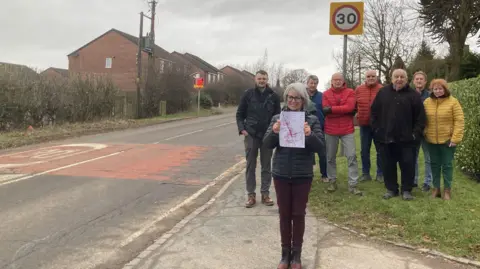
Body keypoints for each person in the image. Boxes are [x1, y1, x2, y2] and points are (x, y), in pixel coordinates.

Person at [263, 82, 324, 269]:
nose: (293, 101)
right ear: (286, 98)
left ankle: (296, 255)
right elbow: (266, 144)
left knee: (298, 214)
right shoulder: (277, 118)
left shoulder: (311, 120)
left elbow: (321, 147)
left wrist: (309, 135)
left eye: (297, 98)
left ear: (303, 100)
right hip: (281, 173)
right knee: (284, 214)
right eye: (290, 97)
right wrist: (274, 132)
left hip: (302, 174)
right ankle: (284, 254)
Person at [370, 68, 426, 200]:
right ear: (391, 78)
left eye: (402, 77)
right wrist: (377, 130)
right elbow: (373, 113)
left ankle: (406, 190)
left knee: (408, 165)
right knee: (388, 165)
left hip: (407, 140)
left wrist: (414, 134)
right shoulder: (383, 93)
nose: (399, 79)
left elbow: (420, 118)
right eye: (396, 77)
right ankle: (391, 189)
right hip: (386, 138)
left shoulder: (413, 95)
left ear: (406, 79)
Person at [236, 70, 281, 208]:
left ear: (267, 80)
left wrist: (275, 131)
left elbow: (278, 116)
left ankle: (265, 194)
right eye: (259, 78)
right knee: (250, 166)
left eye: (264, 78)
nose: (262, 81)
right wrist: (242, 129)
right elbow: (239, 114)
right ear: (255, 79)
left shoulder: (273, 96)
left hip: (267, 135)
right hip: (251, 134)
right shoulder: (248, 94)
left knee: (266, 165)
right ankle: (251, 195)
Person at [423, 79, 464, 200]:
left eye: (440, 88)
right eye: (435, 89)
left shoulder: (453, 102)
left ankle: (447, 190)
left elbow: (459, 121)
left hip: (447, 141)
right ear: (432, 90)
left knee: (447, 165)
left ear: (445, 89)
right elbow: (422, 119)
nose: (438, 91)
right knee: (434, 165)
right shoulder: (427, 102)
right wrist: (425, 132)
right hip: (431, 140)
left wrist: (455, 138)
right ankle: (436, 189)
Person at [322, 73, 362, 195]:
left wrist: (332, 109)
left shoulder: (350, 92)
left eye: (339, 80)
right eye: (335, 80)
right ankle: (332, 181)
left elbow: (350, 108)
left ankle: (353, 185)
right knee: (330, 157)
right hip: (330, 129)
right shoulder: (326, 94)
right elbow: (325, 109)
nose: (338, 82)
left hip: (347, 129)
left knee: (351, 157)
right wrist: (342, 110)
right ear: (332, 81)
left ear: (343, 81)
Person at [355, 70, 384, 182]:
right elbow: (354, 105)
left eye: (373, 76)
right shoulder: (359, 89)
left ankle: (380, 173)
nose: (371, 78)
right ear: (365, 77)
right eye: (368, 76)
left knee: (380, 150)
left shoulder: (382, 89)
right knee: (364, 150)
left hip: (379, 125)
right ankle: (366, 173)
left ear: (376, 77)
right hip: (364, 125)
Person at [412, 71, 433, 191]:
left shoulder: (431, 96)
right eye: (417, 79)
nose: (419, 81)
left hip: (426, 131)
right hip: (414, 131)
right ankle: (413, 180)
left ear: (425, 81)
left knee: (428, 158)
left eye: (421, 79)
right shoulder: (409, 94)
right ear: (413, 81)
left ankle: (427, 182)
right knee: (413, 157)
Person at [305, 75, 328, 182]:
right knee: (308, 153)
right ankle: (309, 174)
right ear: (307, 83)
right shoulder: (302, 95)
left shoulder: (322, 96)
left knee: (322, 152)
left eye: (315, 83)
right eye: (311, 83)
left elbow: (325, 111)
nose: (313, 85)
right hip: (305, 128)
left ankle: (324, 175)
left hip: (320, 127)